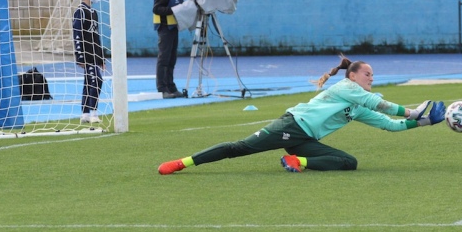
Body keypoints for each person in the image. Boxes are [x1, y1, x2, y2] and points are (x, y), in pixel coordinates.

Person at [158, 55, 446, 175]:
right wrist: (413, 111)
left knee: (349, 162)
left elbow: (390, 126)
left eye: (372, 74)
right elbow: (381, 105)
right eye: (367, 74)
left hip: (305, 139)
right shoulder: (347, 87)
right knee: (240, 148)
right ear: (353, 75)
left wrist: (419, 122)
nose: (371, 77)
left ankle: (298, 160)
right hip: (293, 125)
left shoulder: (360, 103)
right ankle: (182, 163)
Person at [73, 0, 105, 124]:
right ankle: (93, 112)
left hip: (94, 54)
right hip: (86, 54)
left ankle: (85, 113)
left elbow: (96, 37)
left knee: (89, 82)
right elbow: (77, 34)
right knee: (96, 80)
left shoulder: (94, 12)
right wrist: (79, 56)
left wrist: (101, 58)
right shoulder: (80, 11)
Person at [153, 0, 185, 98]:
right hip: (165, 27)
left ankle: (171, 86)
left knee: (172, 59)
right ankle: (163, 88)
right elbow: (156, 8)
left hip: (173, 27)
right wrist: (175, 10)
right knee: (164, 58)